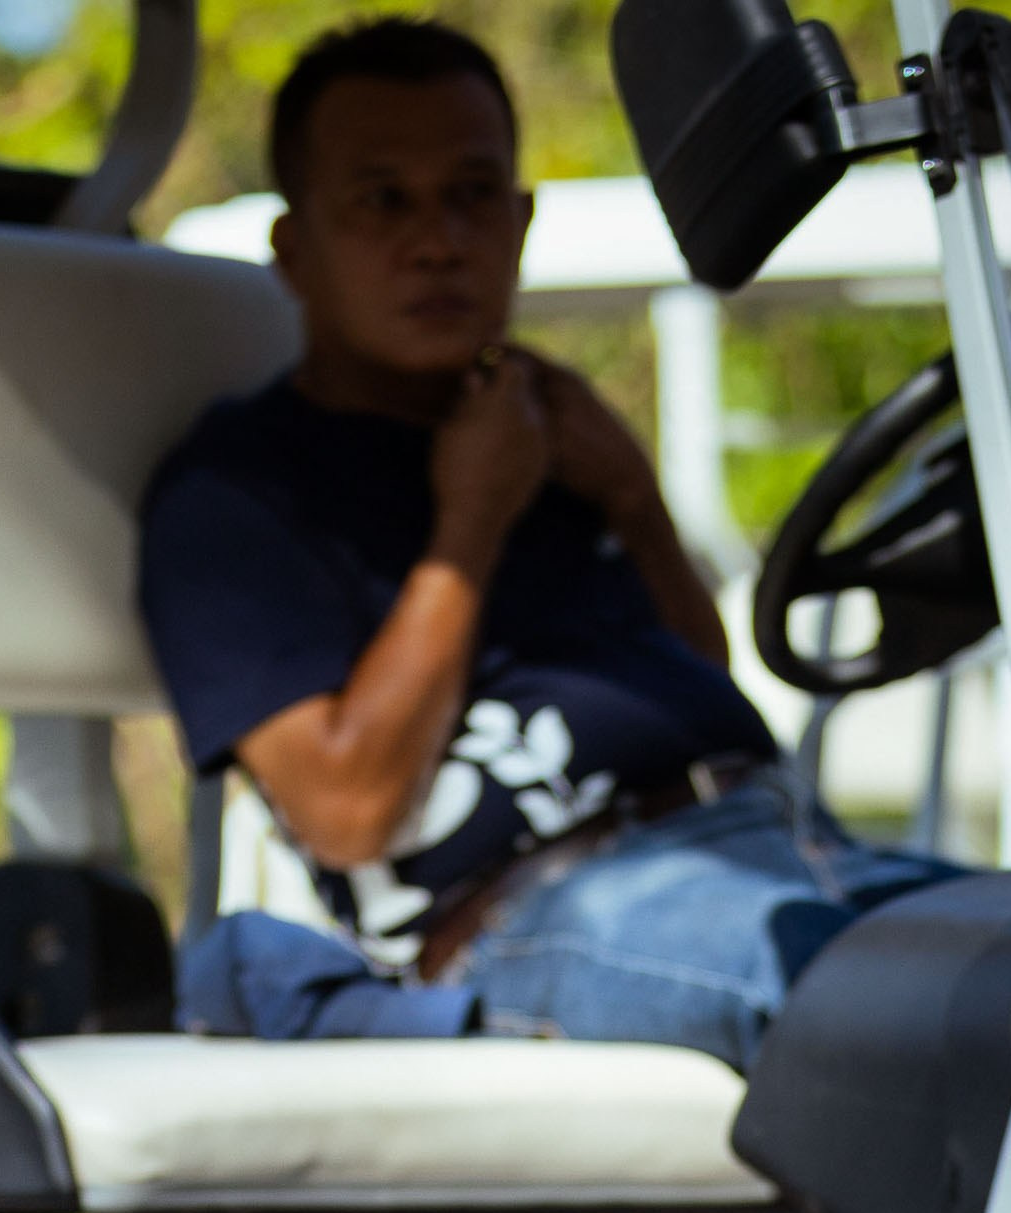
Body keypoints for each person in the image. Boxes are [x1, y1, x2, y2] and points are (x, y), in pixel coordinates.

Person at [137, 14, 955, 1062]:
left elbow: (694, 689)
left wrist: (632, 500)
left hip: (783, 846)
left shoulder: (538, 428)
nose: (437, 240)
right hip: (539, 915)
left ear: (520, 222)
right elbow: (345, 812)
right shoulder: (236, 491)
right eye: (382, 200)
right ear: (296, 250)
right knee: (899, 1000)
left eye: (473, 195)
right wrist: (467, 524)